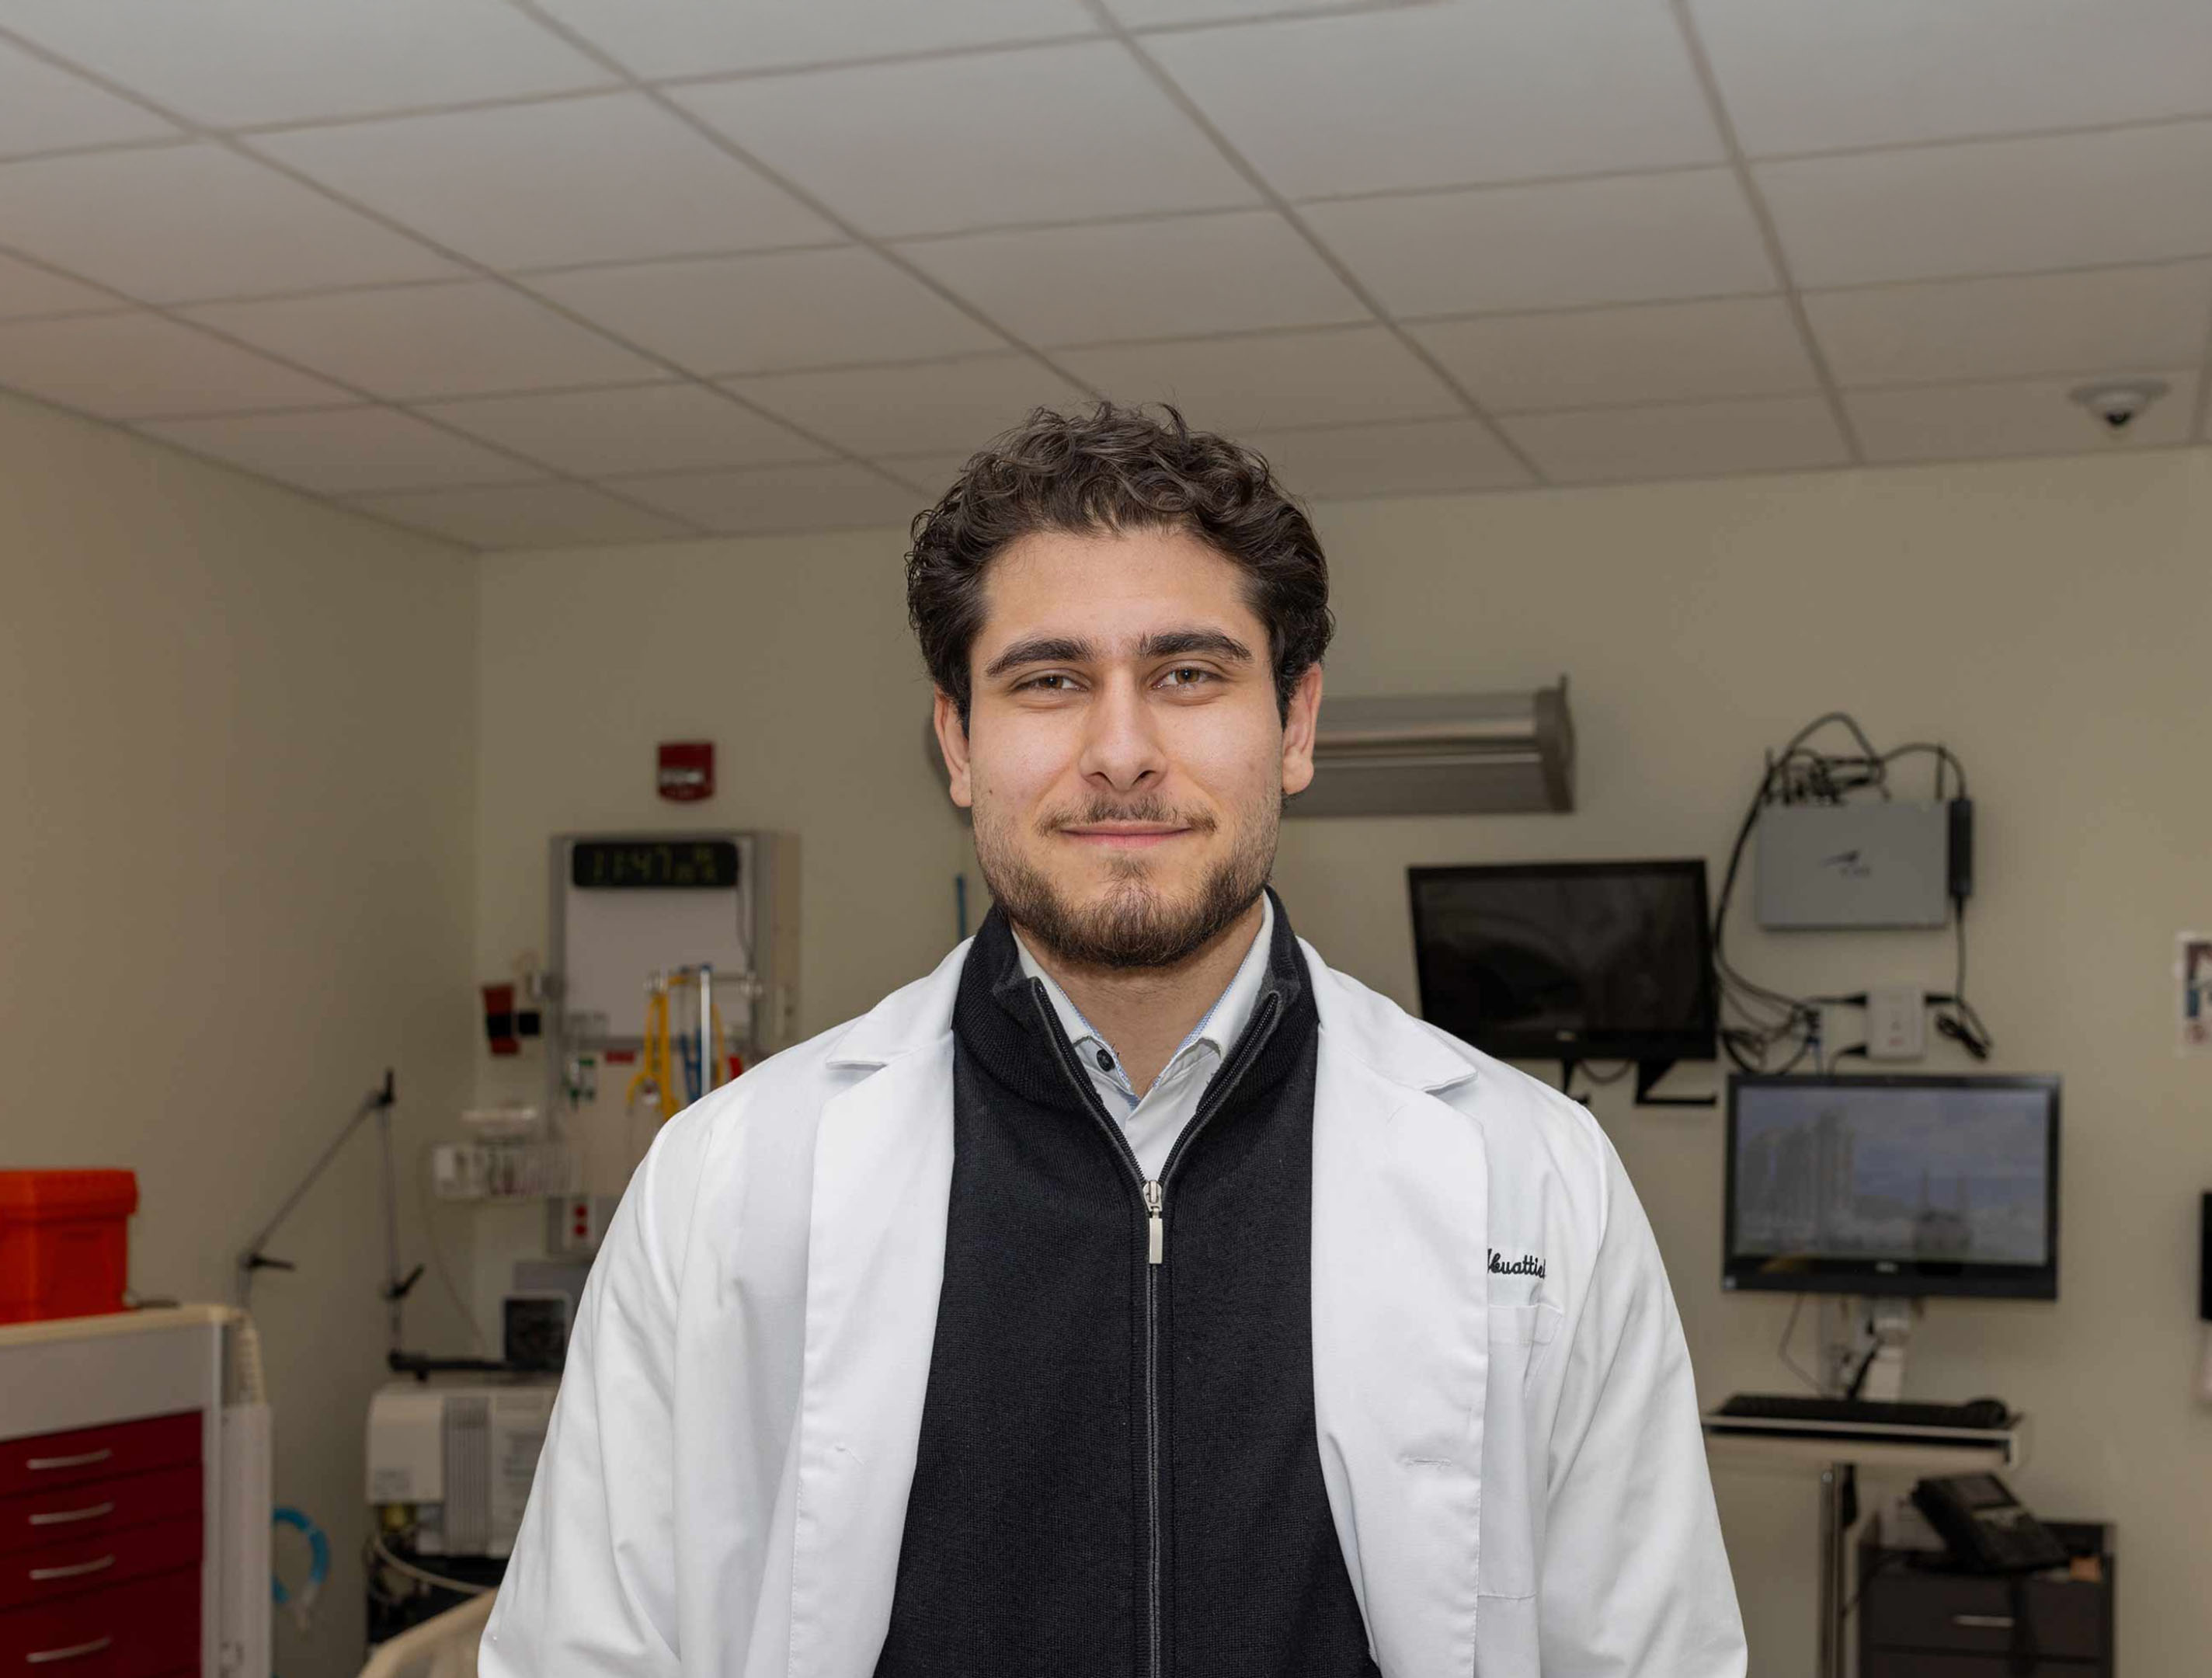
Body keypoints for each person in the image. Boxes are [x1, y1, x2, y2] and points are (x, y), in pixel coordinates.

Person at [482, 403, 1746, 1678]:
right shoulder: (731, 1180)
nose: (1123, 753)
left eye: (1188, 674)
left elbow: (1654, 1654)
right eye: (1050, 681)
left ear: (1296, 727)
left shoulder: (1535, 1178)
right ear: (957, 743)